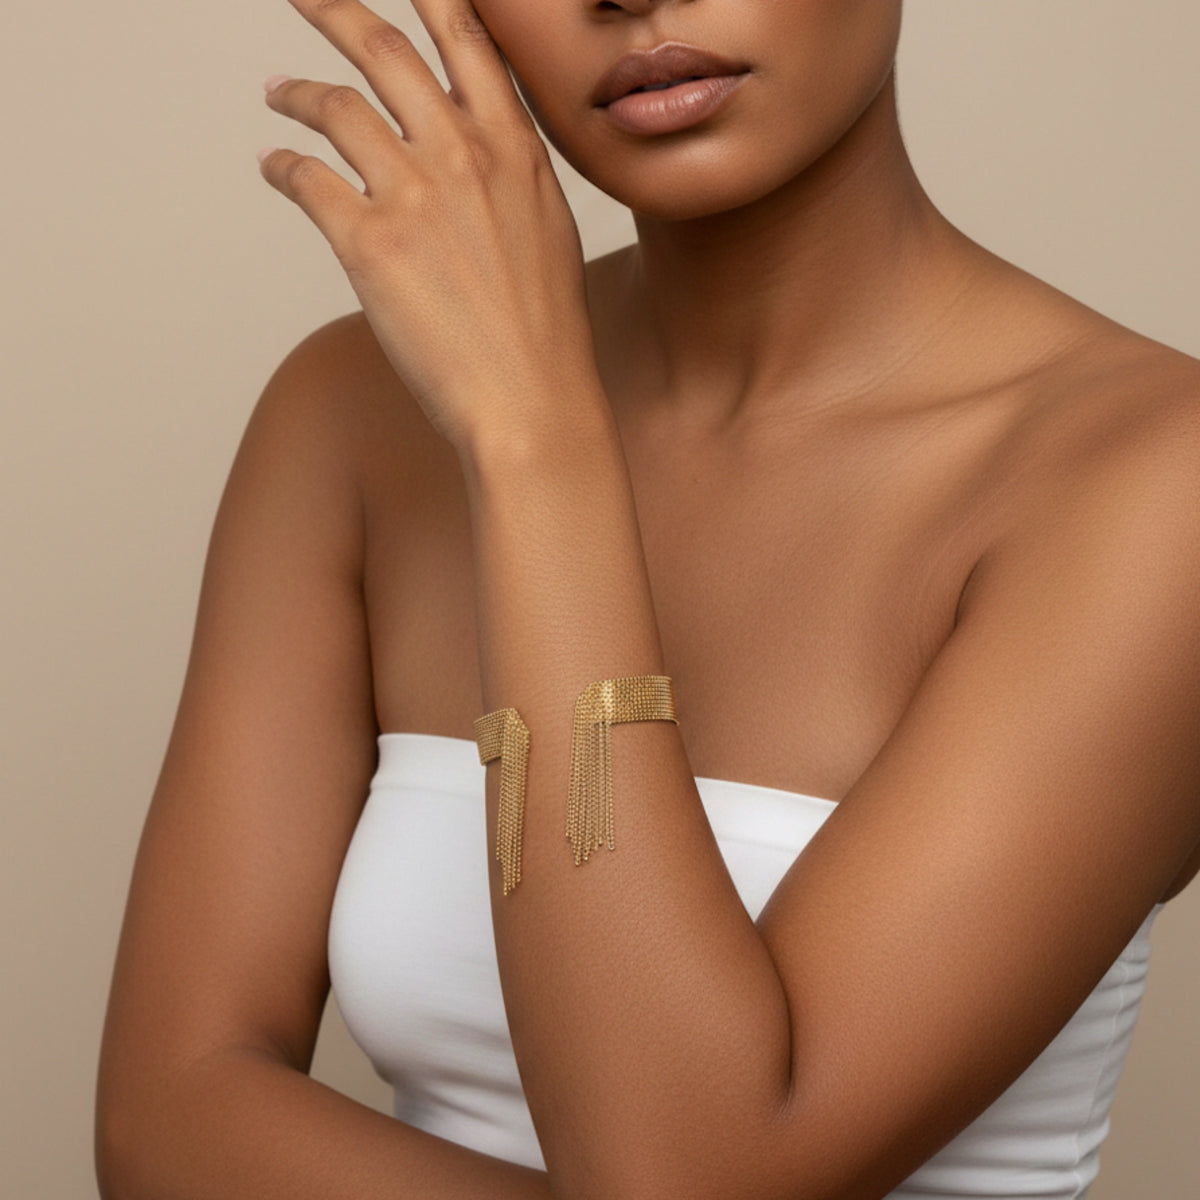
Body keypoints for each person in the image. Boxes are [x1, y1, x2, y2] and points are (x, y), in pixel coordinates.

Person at [96, 0, 1200, 1197]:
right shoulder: (350, 416)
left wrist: (534, 442)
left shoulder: (1152, 482)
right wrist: (521, 416)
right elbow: (168, 1115)